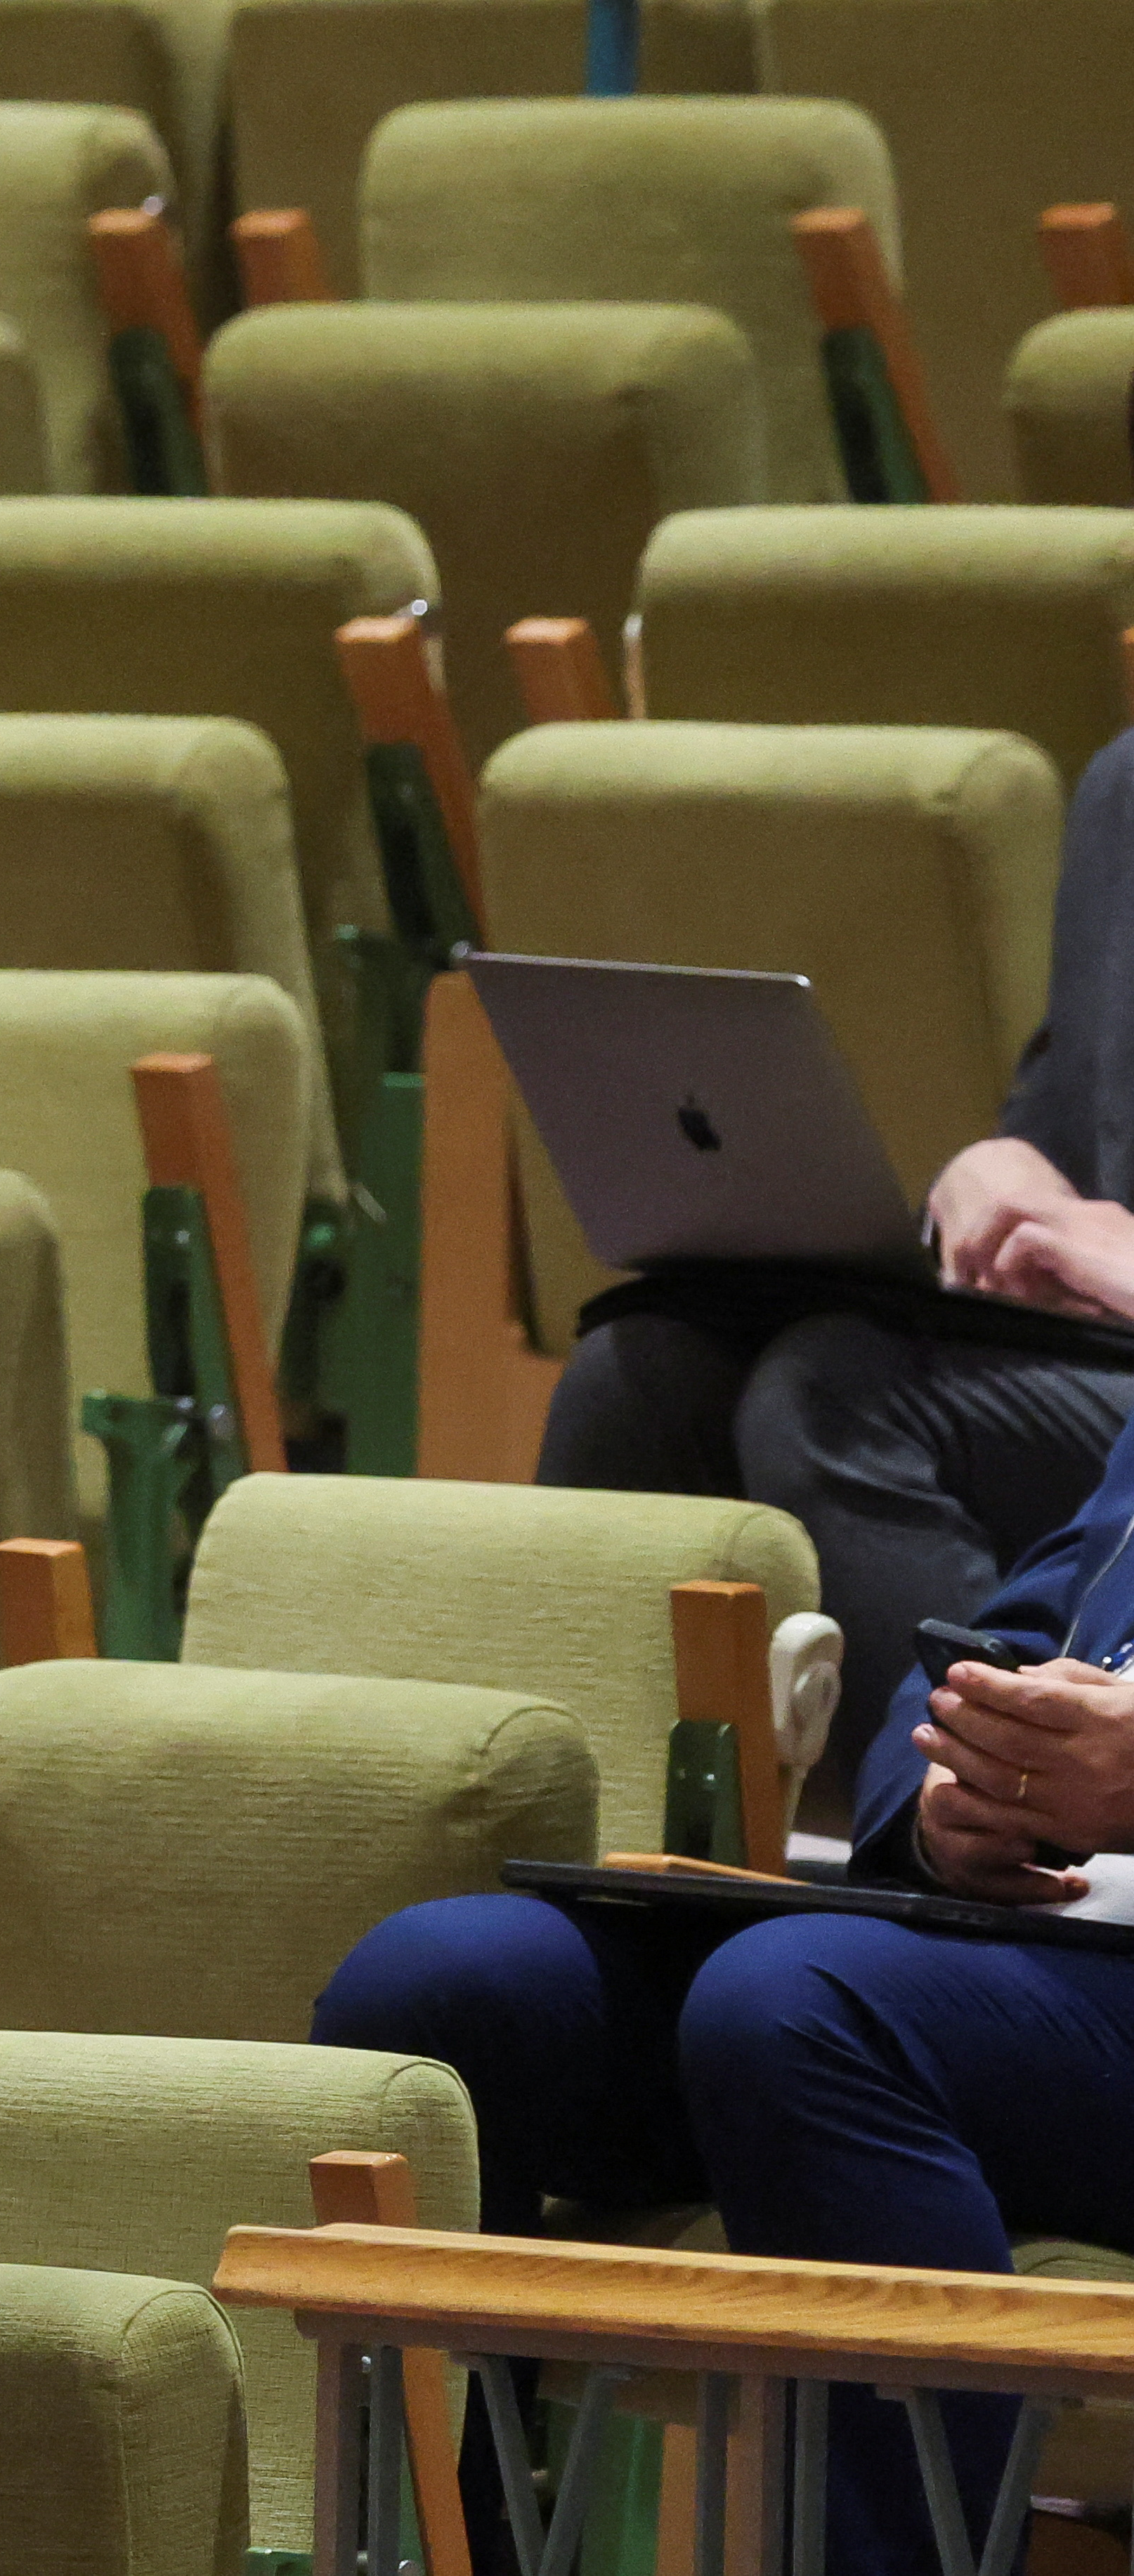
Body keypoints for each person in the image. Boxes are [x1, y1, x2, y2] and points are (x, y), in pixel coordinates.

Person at [313, 1391, 1134, 2575]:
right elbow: (992, 1642)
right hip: (1023, 1943)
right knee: (442, 1990)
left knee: (792, 2002)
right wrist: (959, 1798)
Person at [540, 732, 1134, 1808]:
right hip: (1088, 1339)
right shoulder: (1126, 782)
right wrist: (993, 1164)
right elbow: (1064, 1117)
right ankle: (612, 1871)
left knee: (831, 1393)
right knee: (638, 1370)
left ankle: (976, 1818)